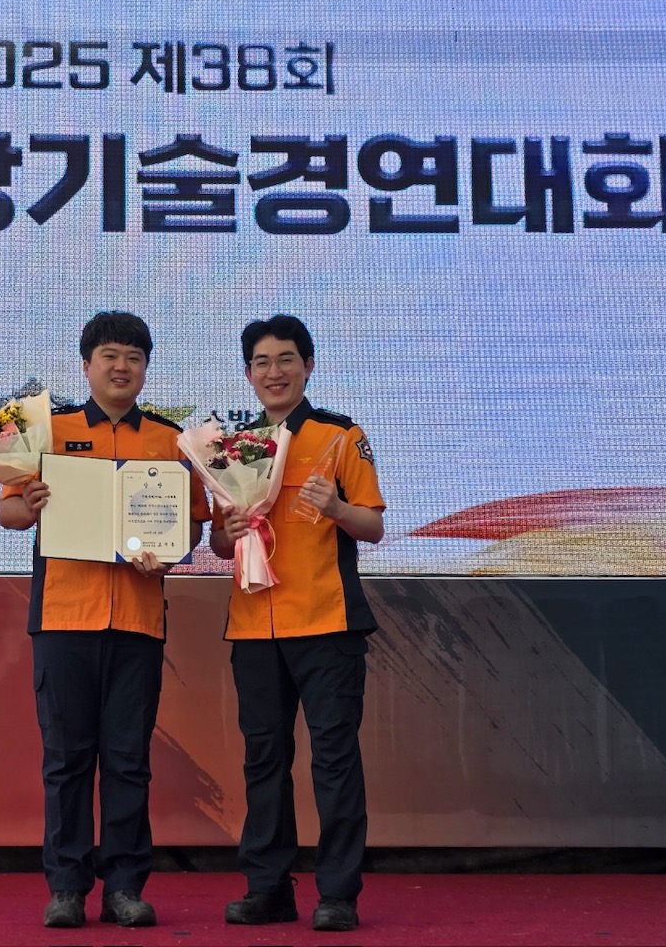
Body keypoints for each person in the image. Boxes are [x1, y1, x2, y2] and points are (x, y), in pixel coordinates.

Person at [0, 310, 209, 930]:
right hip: (63, 618)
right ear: (87, 365)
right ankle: (66, 888)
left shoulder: (170, 441)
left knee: (128, 760)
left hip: (137, 622)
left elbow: (191, 527)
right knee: (66, 760)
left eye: (134, 358)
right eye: (110, 356)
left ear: (146, 368)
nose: (122, 367)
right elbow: (9, 513)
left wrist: (170, 551)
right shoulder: (48, 432)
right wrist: (29, 502)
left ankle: (124, 888)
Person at [209, 314, 385, 933]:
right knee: (263, 761)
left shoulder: (341, 436)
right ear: (248, 374)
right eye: (261, 362)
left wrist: (336, 507)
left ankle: (337, 894)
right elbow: (222, 544)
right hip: (255, 626)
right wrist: (226, 532)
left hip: (327, 623)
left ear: (307, 366)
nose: (274, 372)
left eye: (286, 359)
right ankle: (268, 889)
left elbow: (373, 525)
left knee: (334, 761)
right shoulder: (235, 448)